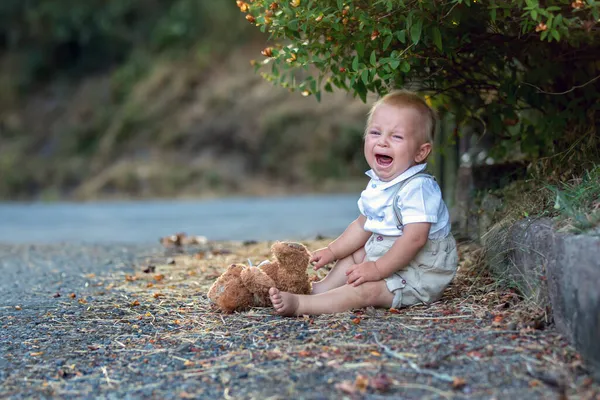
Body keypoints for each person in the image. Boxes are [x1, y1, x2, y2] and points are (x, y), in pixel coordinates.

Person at [269, 90, 458, 316]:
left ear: (420, 152)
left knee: (366, 290)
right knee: (354, 254)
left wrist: (377, 269)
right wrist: (332, 250)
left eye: (396, 137)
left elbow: (415, 239)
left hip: (418, 274)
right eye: (376, 132)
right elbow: (362, 225)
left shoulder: (418, 188)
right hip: (390, 257)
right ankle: (320, 290)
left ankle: (302, 306)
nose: (383, 142)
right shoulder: (379, 183)